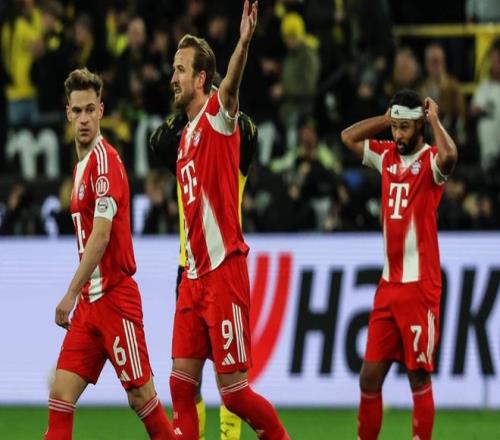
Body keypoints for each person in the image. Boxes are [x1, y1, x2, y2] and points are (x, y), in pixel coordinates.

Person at [168, 1, 290, 439]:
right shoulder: (184, 137)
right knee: (181, 387)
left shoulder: (218, 118)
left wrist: (242, 43)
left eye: (181, 69)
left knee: (235, 394)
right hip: (193, 277)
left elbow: (232, 89)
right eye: (173, 68)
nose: (173, 77)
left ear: (202, 78)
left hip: (224, 274)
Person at [44, 68, 174, 440]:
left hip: (115, 299)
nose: (84, 118)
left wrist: (69, 293)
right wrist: (80, 295)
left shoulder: (105, 163)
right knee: (61, 395)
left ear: (101, 111)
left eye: (90, 109)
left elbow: (100, 237)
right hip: (90, 306)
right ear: (68, 114)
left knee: (141, 397)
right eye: (77, 111)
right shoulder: (80, 168)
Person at [341, 89, 458, 440]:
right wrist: (386, 117)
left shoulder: (431, 162)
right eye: (395, 128)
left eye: (404, 127)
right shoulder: (387, 156)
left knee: (417, 376)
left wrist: (434, 119)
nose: (397, 135)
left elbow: (451, 155)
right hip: (388, 287)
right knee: (369, 378)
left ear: (419, 125)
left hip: (420, 287)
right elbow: (348, 137)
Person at [150, 79, 257, 439]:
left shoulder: (231, 146)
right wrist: (191, 113)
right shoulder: (188, 149)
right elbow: (157, 142)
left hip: (220, 262)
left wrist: (213, 103)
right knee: (187, 377)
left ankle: (229, 437)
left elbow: (246, 127)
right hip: (188, 268)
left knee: (229, 377)